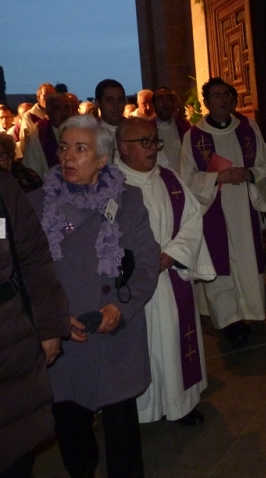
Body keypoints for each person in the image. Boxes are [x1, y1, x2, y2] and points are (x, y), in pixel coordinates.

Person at [29, 114, 160, 478]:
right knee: (72, 428)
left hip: (115, 329)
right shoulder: (35, 203)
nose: (68, 157)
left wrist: (122, 307)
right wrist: (51, 317)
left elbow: (148, 262)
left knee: (122, 434)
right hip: (65, 334)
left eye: (81, 149)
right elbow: (26, 271)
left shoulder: (128, 200)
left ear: (102, 159)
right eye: (64, 147)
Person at [116, 118, 216, 425]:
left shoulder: (170, 180)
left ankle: (180, 405)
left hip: (171, 281)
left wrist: (171, 255)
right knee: (140, 349)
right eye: (143, 142)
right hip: (132, 288)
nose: (152, 148)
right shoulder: (110, 185)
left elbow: (192, 220)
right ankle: (139, 410)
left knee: (174, 342)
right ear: (122, 147)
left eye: (154, 141)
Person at [180, 77, 266, 349]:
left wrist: (250, 173)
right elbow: (186, 177)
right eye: (216, 95)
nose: (222, 100)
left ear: (233, 99)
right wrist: (216, 177)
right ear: (207, 102)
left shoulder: (247, 128)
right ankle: (229, 321)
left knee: (245, 261)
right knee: (221, 265)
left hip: (244, 207)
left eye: (226, 95)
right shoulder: (194, 136)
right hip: (213, 211)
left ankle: (246, 315)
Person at [0, 170, 70, 477]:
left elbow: (33, 258)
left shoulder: (2, 187)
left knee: (15, 451)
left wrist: (50, 325)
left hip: (8, 338)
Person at [22, 93, 72, 180]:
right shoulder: (37, 136)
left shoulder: (79, 132)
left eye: (67, 107)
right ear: (48, 112)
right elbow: (33, 172)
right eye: (57, 109)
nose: (64, 112)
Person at [152, 87, 191, 172]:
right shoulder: (147, 128)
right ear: (153, 104)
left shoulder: (184, 127)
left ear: (174, 103)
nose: (165, 102)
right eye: (160, 99)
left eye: (169, 98)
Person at [19, 83, 56, 148]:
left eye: (52, 95)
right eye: (46, 95)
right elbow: (26, 140)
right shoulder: (29, 116)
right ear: (38, 97)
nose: (49, 98)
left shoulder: (58, 114)